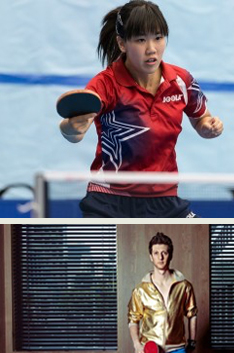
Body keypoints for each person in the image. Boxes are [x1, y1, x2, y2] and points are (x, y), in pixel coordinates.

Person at [58, 1, 223, 218]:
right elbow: (73, 133)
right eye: (140, 40)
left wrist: (208, 127)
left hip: (164, 198)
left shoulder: (181, 80)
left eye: (158, 37)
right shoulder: (105, 84)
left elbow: (201, 118)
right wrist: (71, 128)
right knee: (103, 253)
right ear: (122, 43)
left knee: (205, 245)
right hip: (109, 199)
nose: (151, 48)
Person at [128, 232, 197, 353]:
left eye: (164, 253)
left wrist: (191, 345)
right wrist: (137, 345)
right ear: (150, 256)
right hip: (149, 352)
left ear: (170, 255)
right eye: (156, 253)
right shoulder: (140, 289)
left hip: (177, 352)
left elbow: (192, 315)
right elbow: (133, 320)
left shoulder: (184, 286)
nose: (160, 257)